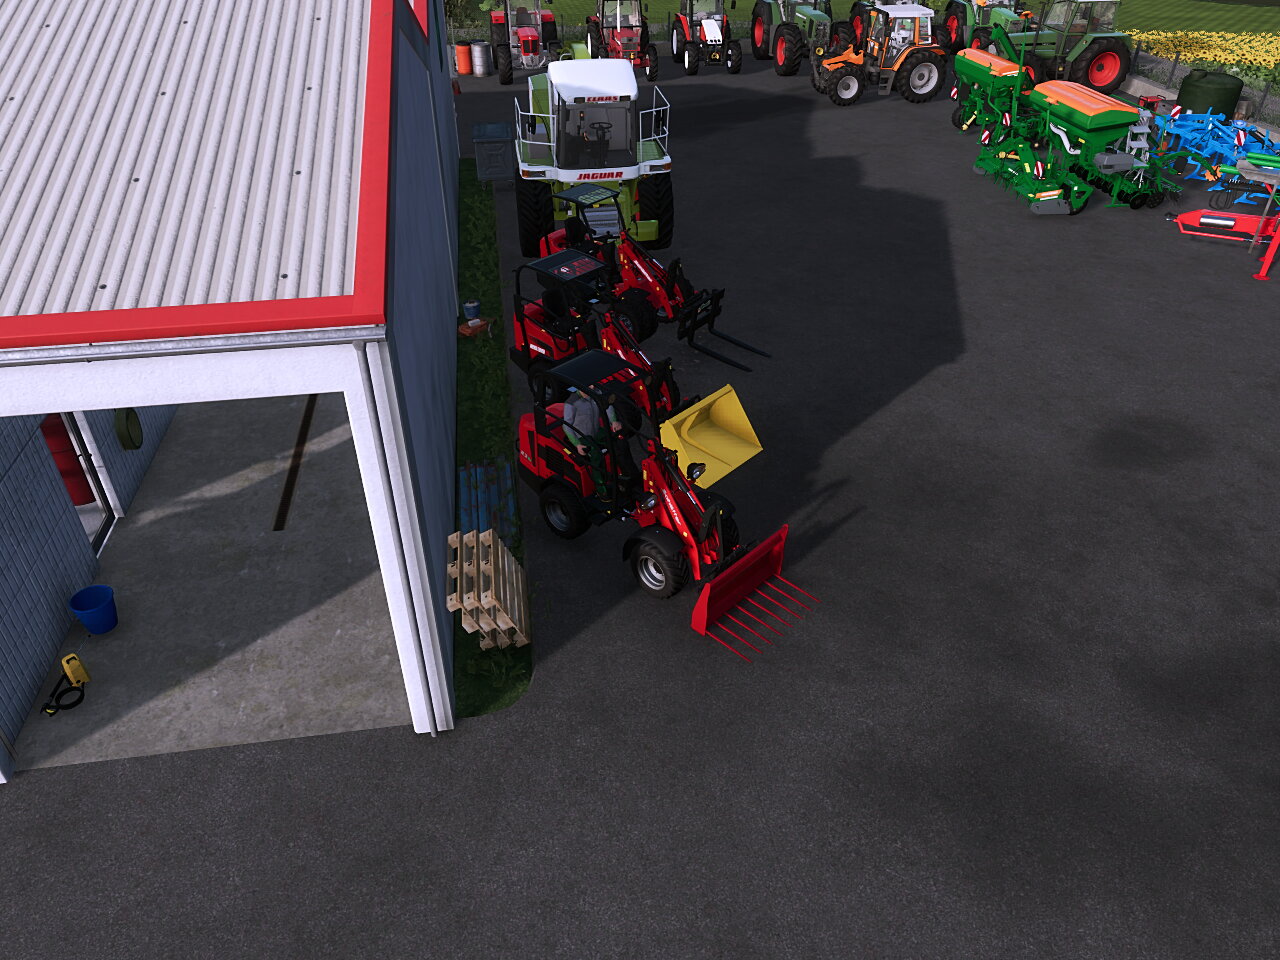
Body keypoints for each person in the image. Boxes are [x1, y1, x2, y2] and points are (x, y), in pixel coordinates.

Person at [561, 387, 623, 499]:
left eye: (592, 385)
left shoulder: (597, 394)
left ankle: (622, 476)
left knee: (617, 441)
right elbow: (566, 426)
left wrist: (614, 421)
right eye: (589, 386)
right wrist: (577, 444)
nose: (592, 387)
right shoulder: (572, 403)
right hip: (582, 436)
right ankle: (601, 491)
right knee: (596, 455)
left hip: (596, 431)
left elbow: (607, 407)